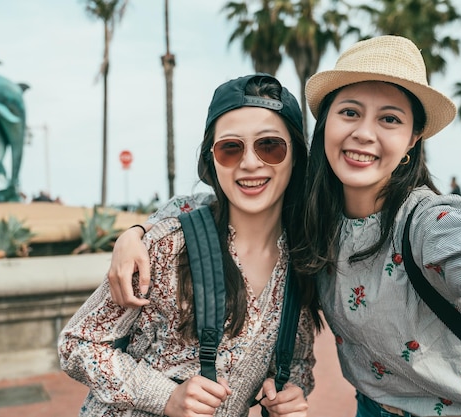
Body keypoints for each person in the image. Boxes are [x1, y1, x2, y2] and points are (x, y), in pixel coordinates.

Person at [105, 36, 461, 416]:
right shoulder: (314, 222)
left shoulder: (432, 223)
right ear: (325, 122)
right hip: (370, 408)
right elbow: (213, 203)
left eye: (390, 118)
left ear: (413, 139)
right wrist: (138, 231)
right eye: (349, 112)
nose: (364, 133)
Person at [59, 73, 319, 417]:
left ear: (297, 156)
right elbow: (77, 344)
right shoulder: (168, 245)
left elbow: (297, 360)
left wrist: (287, 394)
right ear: (212, 159)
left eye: (270, 146)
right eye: (230, 148)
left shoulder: (303, 262)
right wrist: (163, 395)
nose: (250, 163)